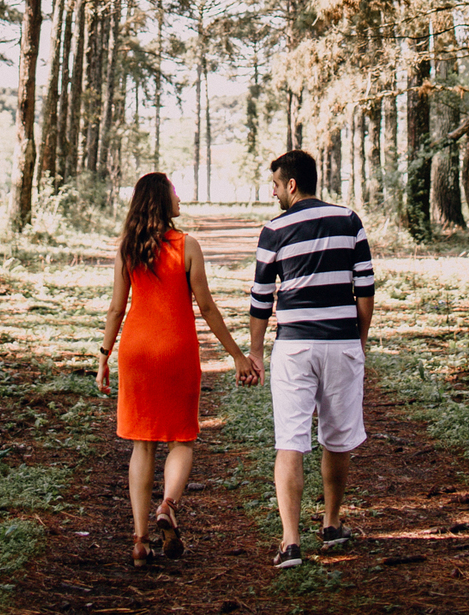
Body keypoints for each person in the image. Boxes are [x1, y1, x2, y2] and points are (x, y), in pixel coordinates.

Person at [98, 171, 260, 568]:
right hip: (176, 350)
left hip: (135, 351)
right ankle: (167, 506)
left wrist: (104, 355)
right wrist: (238, 355)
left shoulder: (128, 249)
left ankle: (139, 542)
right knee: (181, 439)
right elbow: (206, 307)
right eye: (174, 192)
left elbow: (117, 308)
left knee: (141, 443)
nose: (180, 197)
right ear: (161, 200)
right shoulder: (187, 245)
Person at [248, 148, 374, 569]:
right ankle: (332, 524)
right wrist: (358, 340)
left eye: (276, 184)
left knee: (291, 440)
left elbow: (261, 299)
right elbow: (365, 290)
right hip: (341, 343)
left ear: (292, 184)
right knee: (337, 438)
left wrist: (254, 352)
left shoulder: (274, 229)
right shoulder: (349, 220)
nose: (274, 192)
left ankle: (289, 542)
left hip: (294, 347)